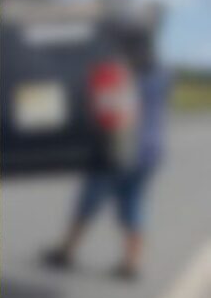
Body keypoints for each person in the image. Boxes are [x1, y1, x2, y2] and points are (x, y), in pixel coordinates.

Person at [44, 14, 169, 281]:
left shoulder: (115, 72)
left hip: (117, 149)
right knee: (133, 203)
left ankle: (66, 251)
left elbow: (104, 112)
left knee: (88, 202)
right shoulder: (160, 72)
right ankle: (131, 262)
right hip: (150, 150)